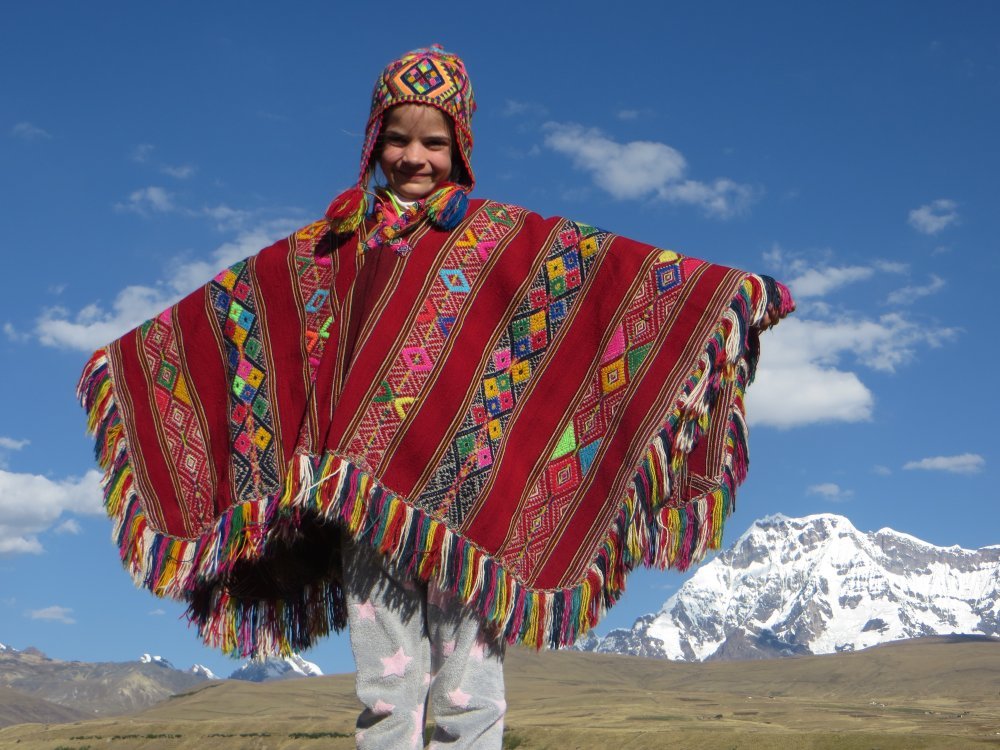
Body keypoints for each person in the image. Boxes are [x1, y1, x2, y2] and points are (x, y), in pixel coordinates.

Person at [78, 44, 792, 750]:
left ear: (461, 147)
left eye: (434, 143)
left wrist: (723, 296)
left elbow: (606, 276)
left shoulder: (502, 239)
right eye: (397, 139)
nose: (413, 158)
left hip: (467, 503)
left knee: (468, 689)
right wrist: (131, 361)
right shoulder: (332, 249)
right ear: (372, 141)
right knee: (385, 687)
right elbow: (244, 312)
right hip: (367, 504)